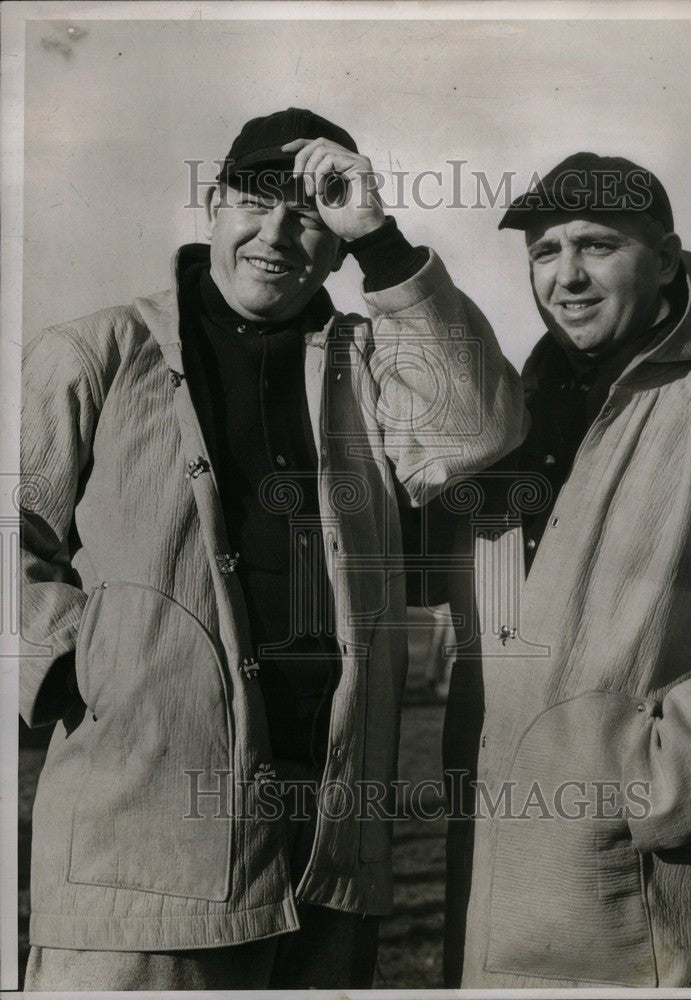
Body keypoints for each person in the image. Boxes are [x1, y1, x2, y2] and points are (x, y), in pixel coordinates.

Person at [19, 107, 526, 991]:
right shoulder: (94, 351)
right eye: (257, 202)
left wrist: (385, 243)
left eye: (315, 213)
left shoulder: (365, 363)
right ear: (213, 207)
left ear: (336, 247)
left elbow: (477, 428)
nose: (280, 234)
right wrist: (88, 677)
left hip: (329, 847)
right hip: (137, 837)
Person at [442, 152, 691, 989]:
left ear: (665, 259)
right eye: (543, 251)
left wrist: (644, 779)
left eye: (595, 246)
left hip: (644, 909)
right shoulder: (515, 424)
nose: (566, 277)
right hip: (497, 883)